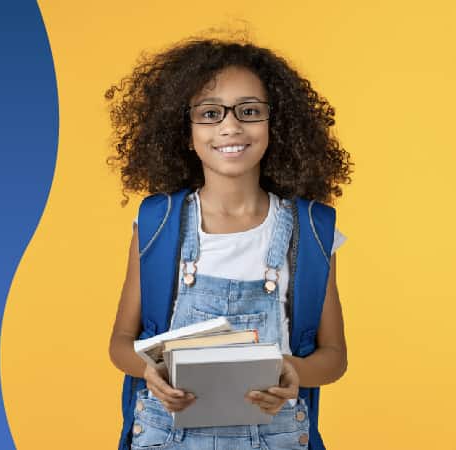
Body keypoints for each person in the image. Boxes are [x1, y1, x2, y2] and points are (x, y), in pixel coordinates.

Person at [106, 37, 352, 450]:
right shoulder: (156, 224)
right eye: (210, 113)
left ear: (277, 126)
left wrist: (293, 372)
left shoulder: (310, 230)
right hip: (167, 436)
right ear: (184, 132)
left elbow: (334, 356)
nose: (230, 126)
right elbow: (119, 344)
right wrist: (149, 372)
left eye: (250, 111)